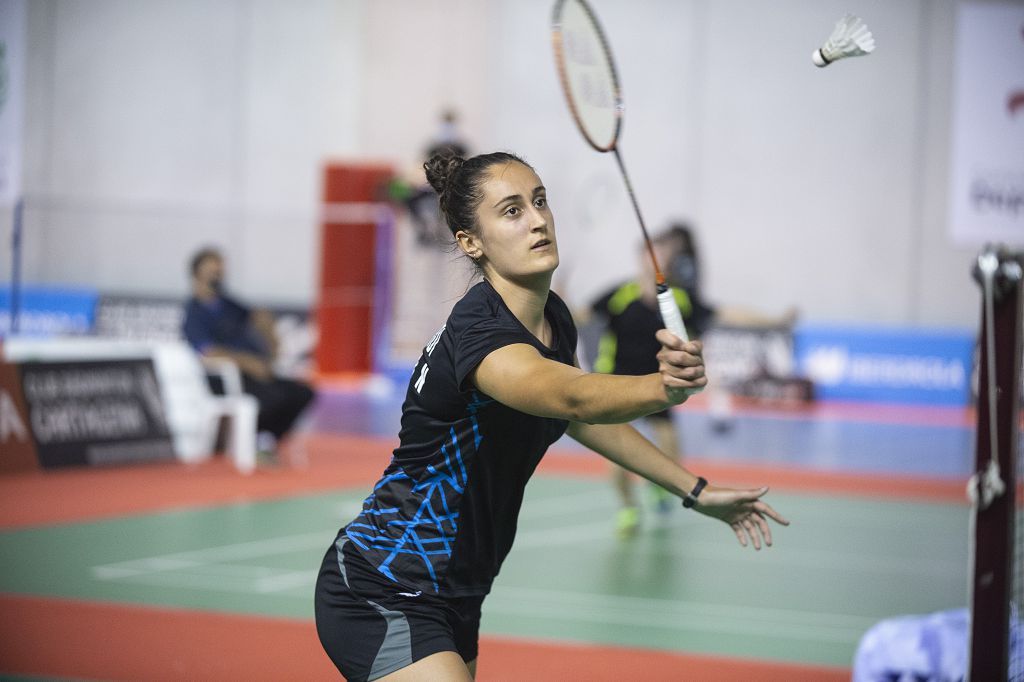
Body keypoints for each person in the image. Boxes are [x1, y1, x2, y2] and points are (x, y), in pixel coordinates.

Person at [314, 151, 789, 681]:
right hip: (385, 583)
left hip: (458, 589)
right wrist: (662, 388)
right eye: (512, 211)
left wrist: (694, 489)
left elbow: (583, 423)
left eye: (540, 201)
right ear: (472, 242)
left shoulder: (553, 319)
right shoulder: (481, 335)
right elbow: (573, 399)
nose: (538, 219)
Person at [589, 234, 693, 537]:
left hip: (659, 386)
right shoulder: (620, 295)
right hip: (618, 382)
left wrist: (775, 318)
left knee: (671, 446)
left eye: (662, 253)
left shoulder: (680, 300)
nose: (656, 258)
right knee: (616, 451)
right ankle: (628, 509)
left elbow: (721, 313)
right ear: (641, 258)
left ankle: (659, 488)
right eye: (651, 252)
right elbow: (580, 314)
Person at [182, 247, 315, 458]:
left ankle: (267, 439)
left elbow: (256, 317)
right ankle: (250, 439)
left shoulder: (227, 303)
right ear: (197, 274)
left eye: (220, 271)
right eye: (212, 272)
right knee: (274, 398)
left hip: (256, 371)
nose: (218, 277)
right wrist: (247, 363)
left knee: (302, 393)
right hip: (228, 377)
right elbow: (208, 352)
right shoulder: (194, 313)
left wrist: (270, 335)